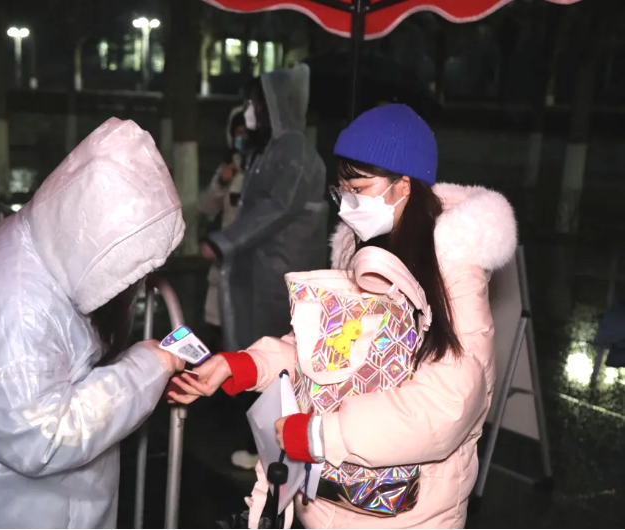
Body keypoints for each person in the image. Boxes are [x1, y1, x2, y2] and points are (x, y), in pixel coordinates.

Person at [170, 104, 518, 528]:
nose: (346, 206)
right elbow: (329, 348)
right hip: (326, 500)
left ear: (403, 185)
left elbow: (447, 405)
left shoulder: (454, 271)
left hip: (407, 515)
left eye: (360, 188)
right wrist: (245, 365)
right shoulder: (359, 247)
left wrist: (321, 435)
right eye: (342, 191)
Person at [0, 118, 186, 529]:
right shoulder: (16, 302)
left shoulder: (37, 250)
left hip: (2, 501)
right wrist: (148, 367)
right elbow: (39, 437)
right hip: (0, 510)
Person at [202, 65, 328, 471]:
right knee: (267, 359)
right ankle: (267, 447)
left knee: (279, 362)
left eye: (255, 103)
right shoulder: (275, 149)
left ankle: (275, 451)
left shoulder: (294, 152)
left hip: (282, 275)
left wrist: (223, 242)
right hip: (268, 272)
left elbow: (276, 208)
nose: (249, 111)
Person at [198, 107, 248, 350]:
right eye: (238, 133)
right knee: (218, 329)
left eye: (246, 132)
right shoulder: (230, 167)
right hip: (224, 260)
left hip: (251, 264)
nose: (242, 138)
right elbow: (206, 205)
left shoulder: (266, 169)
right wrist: (222, 182)